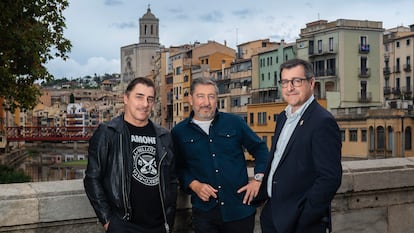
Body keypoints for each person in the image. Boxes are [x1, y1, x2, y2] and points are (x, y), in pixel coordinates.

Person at [253, 58, 342, 233]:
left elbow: (330, 178)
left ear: (311, 83)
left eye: (296, 81)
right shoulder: (283, 117)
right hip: (273, 214)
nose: (289, 87)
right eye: (285, 82)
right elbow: (278, 161)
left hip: (299, 222)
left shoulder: (322, 121)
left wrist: (305, 219)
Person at [171, 77, 269, 233]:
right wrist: (194, 185)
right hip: (205, 214)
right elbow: (178, 168)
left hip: (240, 210)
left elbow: (261, 149)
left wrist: (258, 179)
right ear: (190, 99)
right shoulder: (178, 132)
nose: (206, 102)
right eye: (200, 96)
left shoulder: (235, 122)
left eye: (211, 96)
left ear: (217, 99)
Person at [84, 77, 177, 233]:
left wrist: (169, 219)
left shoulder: (163, 136)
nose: (145, 104)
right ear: (126, 98)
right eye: (139, 97)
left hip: (159, 226)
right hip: (123, 225)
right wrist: (108, 221)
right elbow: (92, 178)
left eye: (150, 99)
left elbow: (172, 180)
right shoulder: (108, 133)